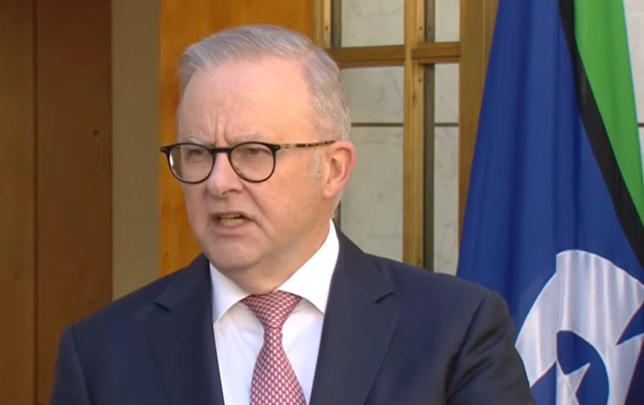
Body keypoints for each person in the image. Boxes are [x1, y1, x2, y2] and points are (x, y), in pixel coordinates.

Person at [50, 24, 533, 405]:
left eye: (253, 152)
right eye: (197, 154)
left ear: (333, 169)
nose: (218, 183)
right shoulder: (102, 355)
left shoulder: (456, 331)